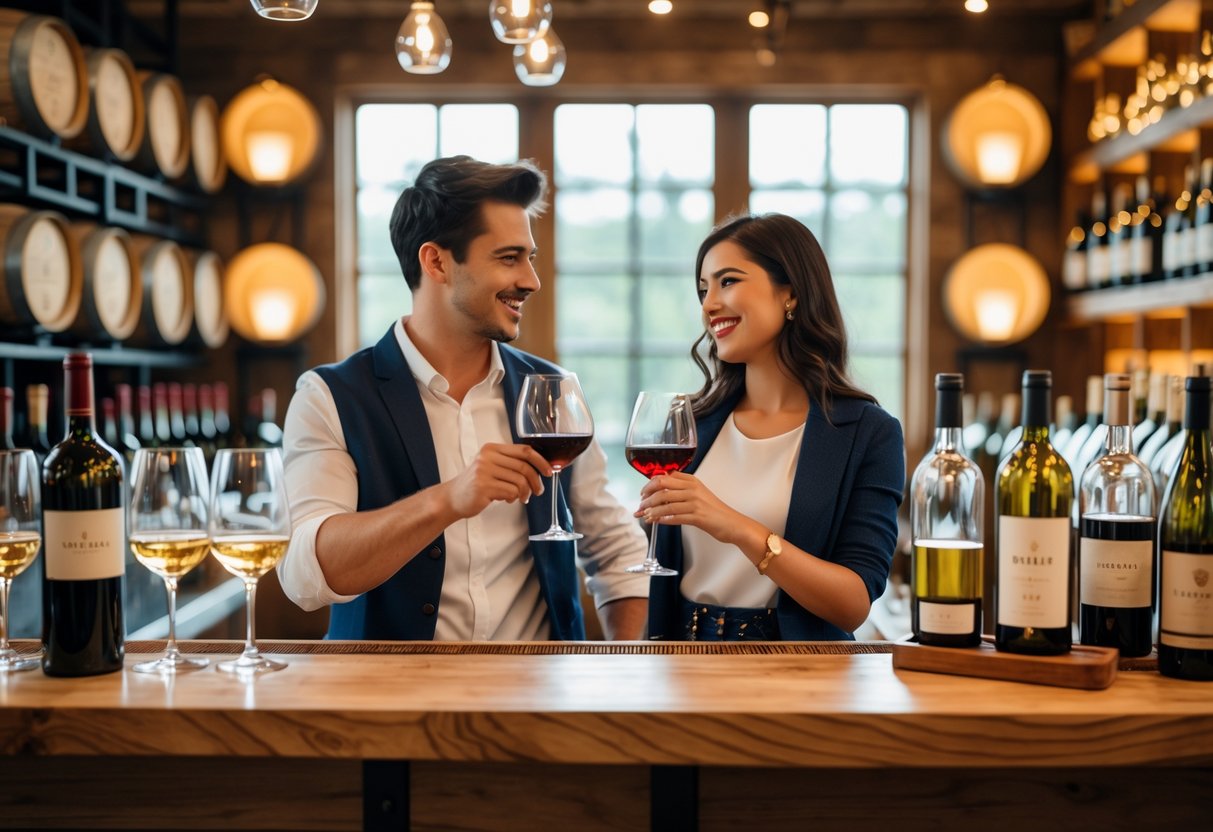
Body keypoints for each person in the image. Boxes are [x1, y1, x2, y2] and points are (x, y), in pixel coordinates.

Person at [278, 156, 649, 641]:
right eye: (508, 257)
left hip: (542, 704)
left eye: (530, 258)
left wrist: (626, 675)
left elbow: (617, 553)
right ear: (436, 262)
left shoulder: (553, 391)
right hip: (385, 703)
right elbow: (305, 577)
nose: (531, 280)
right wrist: (449, 499)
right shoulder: (328, 396)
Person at [639, 213, 905, 641]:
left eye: (728, 281)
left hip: (799, 673)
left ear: (791, 294)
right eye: (704, 289)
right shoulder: (690, 422)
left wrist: (738, 528)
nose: (708, 304)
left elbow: (853, 605)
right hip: (679, 666)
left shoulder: (868, 434)